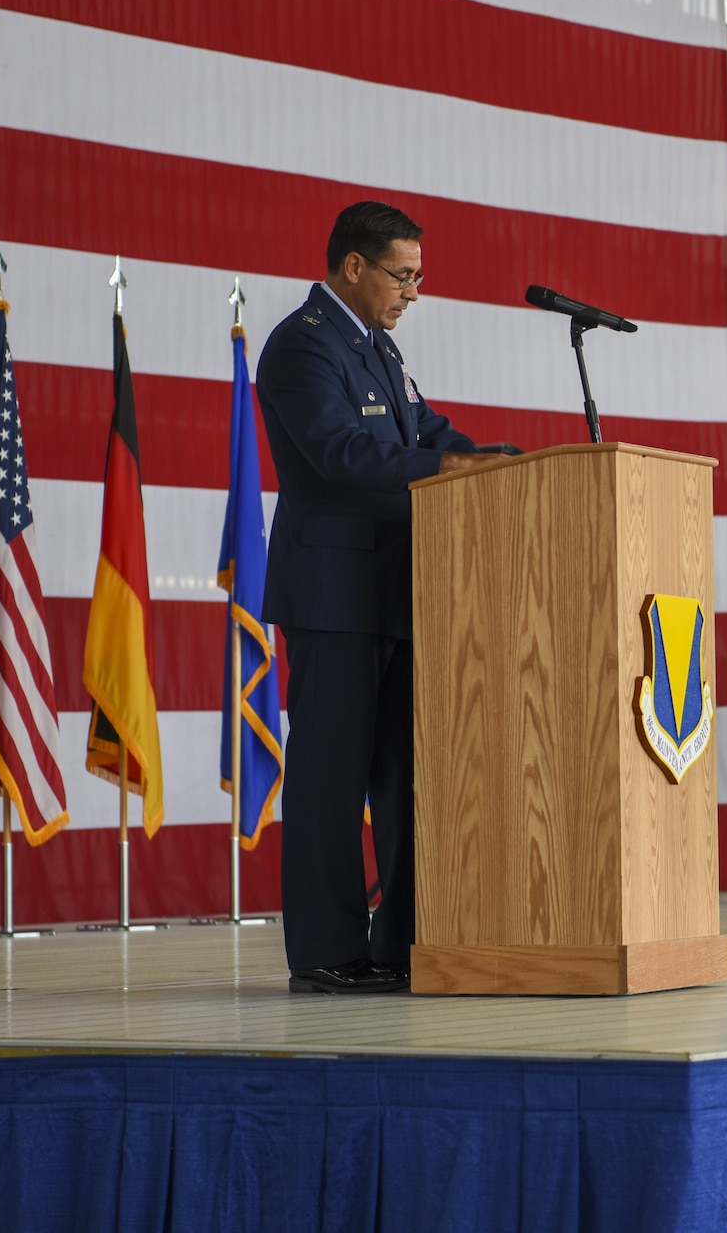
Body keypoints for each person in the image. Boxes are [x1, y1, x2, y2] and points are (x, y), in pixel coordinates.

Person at [257, 201, 506, 994]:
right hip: (333, 596)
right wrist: (445, 471)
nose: (413, 291)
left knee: (406, 776)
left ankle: (401, 941)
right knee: (332, 777)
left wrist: (495, 460)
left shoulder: (381, 351)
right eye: (404, 275)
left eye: (419, 276)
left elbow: (424, 430)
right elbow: (341, 451)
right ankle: (328, 948)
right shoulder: (301, 346)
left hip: (400, 589)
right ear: (353, 266)